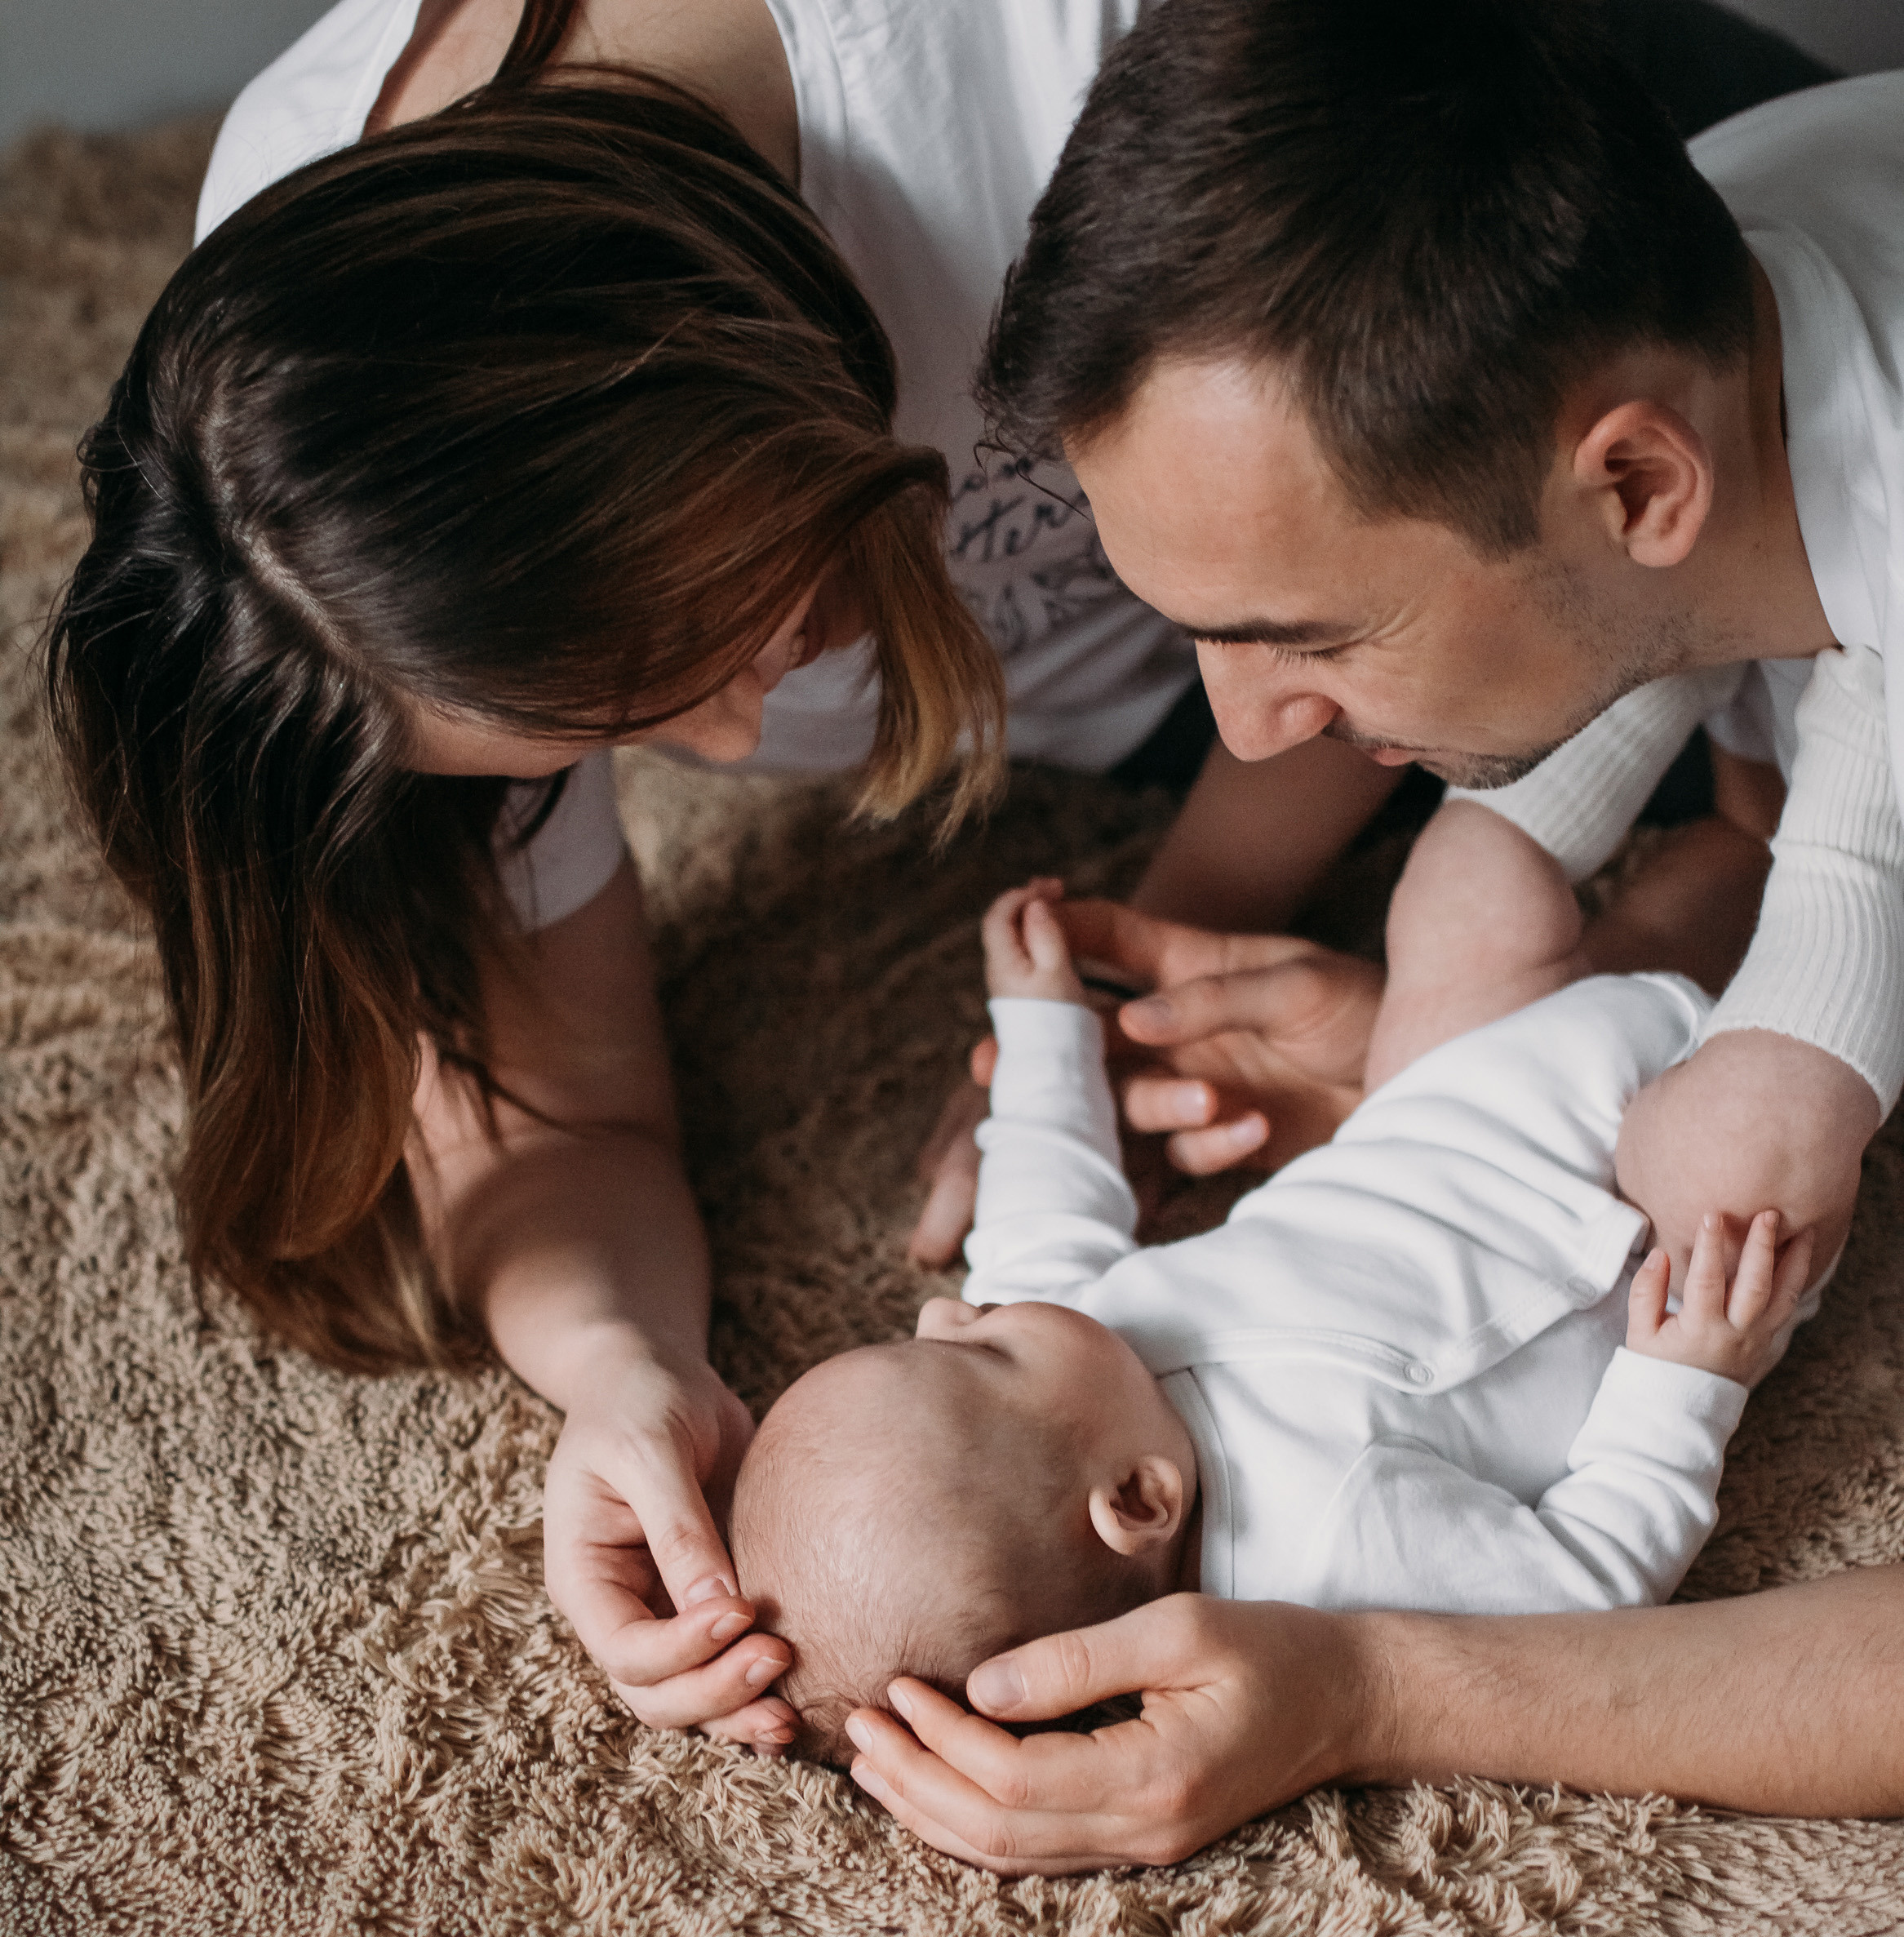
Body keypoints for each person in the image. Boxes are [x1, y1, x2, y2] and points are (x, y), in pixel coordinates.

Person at [45, 0, 1821, 1761]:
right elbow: (560, 1113)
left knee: (1806, 675)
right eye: (611, 733)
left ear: (723, 377)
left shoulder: (1061, 69)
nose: (743, 746)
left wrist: (1201, 909)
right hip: (1253, 683)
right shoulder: (318, 520)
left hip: (1502, 335)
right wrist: (618, 1371)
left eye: (700, 643)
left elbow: (1380, 586)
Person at [841, 0, 1904, 1865]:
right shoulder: (1722, 240)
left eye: (1307, 636)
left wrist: (1373, 1684)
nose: (1243, 736)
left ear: (1638, 484)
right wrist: (1462, 1063)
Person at [734, 879, 1806, 1762]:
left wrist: (1042, 1025)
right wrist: (1687, 1382)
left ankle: (1733, 801)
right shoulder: (1317, 1554)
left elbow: (1042, 1187)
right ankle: (1842, 863)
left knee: (1471, 893)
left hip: (1482, 1097)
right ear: (1137, 1499)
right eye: (977, 1355)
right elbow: (1586, 1587)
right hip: (1668, 1244)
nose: (944, 1310)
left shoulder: (1069, 1343)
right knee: (1771, 1094)